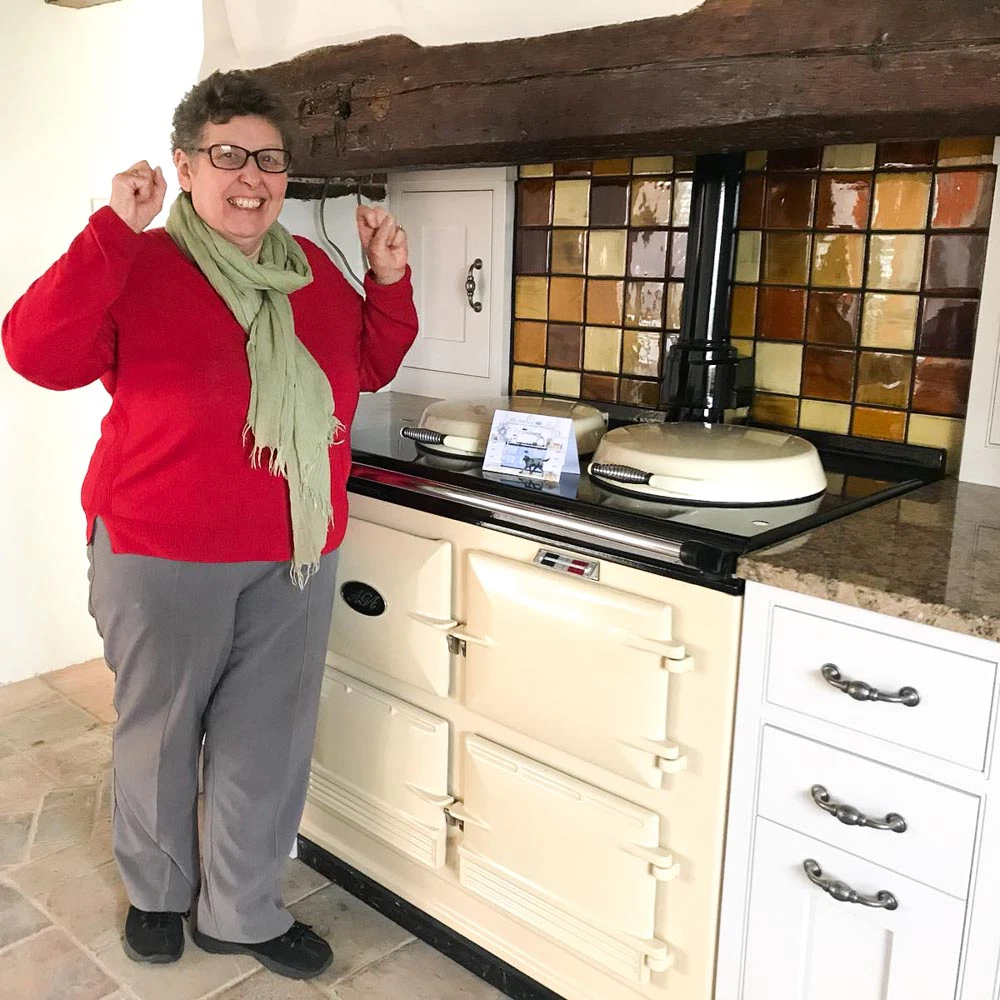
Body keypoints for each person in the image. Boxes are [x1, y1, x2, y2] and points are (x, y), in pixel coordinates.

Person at [2, 70, 418, 981]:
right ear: (185, 168)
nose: (251, 176)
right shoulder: (140, 262)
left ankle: (243, 910)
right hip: (159, 550)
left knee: (266, 738)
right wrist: (112, 228)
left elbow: (368, 367)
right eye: (227, 154)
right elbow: (33, 351)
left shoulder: (309, 278)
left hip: (293, 552)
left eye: (268, 160)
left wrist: (389, 280)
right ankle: (156, 893)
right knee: (158, 732)